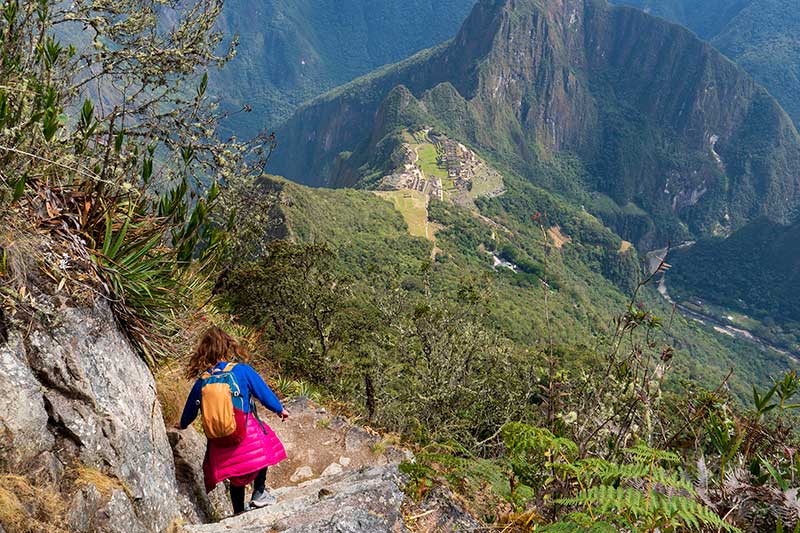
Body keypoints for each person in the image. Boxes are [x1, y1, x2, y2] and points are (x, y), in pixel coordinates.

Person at [176, 326, 289, 514]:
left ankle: (238, 511)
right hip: (244, 432)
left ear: (204, 351)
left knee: (234, 473)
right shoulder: (242, 371)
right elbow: (263, 393)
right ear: (227, 347)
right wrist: (279, 409)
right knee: (265, 442)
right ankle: (259, 493)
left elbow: (190, 410)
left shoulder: (203, 380)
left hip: (219, 441)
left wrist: (183, 424)